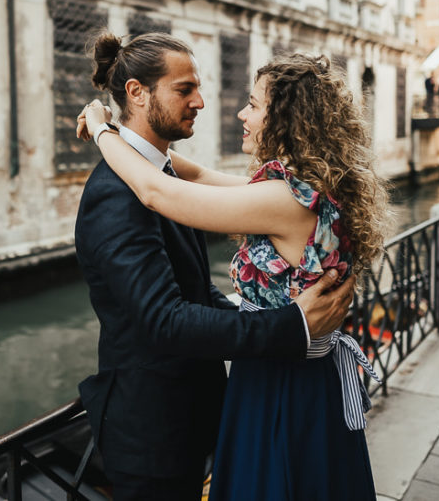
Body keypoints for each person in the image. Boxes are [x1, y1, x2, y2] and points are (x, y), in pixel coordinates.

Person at [80, 45, 390, 500]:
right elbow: (195, 177)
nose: (233, 111)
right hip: (257, 386)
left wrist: (102, 129)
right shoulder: (304, 187)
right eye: (186, 89)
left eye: (254, 105)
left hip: (281, 380)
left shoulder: (283, 198)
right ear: (137, 93)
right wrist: (124, 136)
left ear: (286, 119)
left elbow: (154, 190)